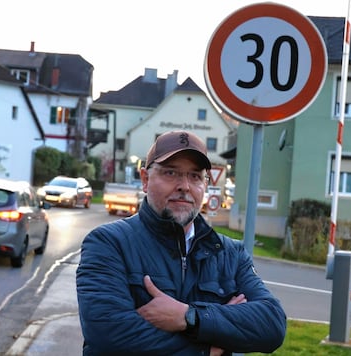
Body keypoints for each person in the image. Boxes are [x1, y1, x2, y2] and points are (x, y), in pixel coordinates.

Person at [76, 130, 287, 355]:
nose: (184, 186)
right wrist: (208, 348)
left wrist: (188, 316)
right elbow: (108, 334)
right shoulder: (108, 243)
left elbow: (272, 325)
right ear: (145, 179)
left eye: (195, 176)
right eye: (171, 172)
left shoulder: (230, 253)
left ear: (205, 184)